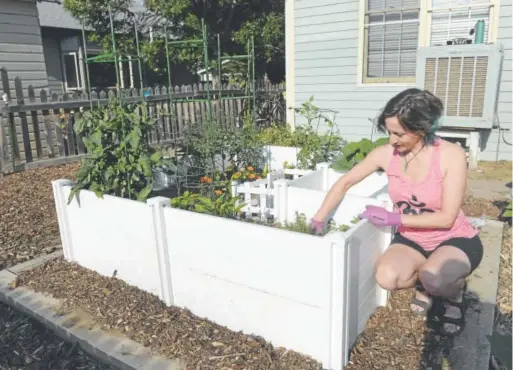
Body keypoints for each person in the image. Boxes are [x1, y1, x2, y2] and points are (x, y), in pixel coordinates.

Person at [310, 88, 483, 337]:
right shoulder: (384, 155)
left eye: (399, 134)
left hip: (452, 238)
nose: (392, 140)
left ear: (421, 129)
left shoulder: (450, 155)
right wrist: (319, 218)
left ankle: (454, 292)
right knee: (387, 278)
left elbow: (446, 218)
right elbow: (344, 182)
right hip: (413, 237)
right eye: (389, 132)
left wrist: (394, 218)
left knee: (435, 278)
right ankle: (427, 280)